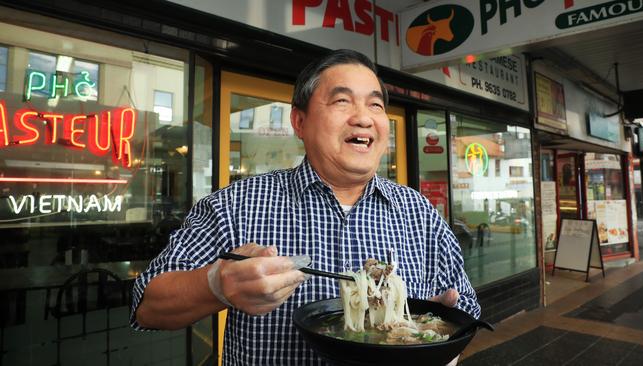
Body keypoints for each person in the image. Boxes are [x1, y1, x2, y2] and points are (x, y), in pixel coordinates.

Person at [131, 49, 480, 365]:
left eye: (375, 105)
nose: (364, 118)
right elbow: (146, 304)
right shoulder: (236, 205)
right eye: (343, 101)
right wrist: (217, 285)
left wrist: (433, 339)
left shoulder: (417, 211)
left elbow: (463, 304)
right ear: (299, 122)